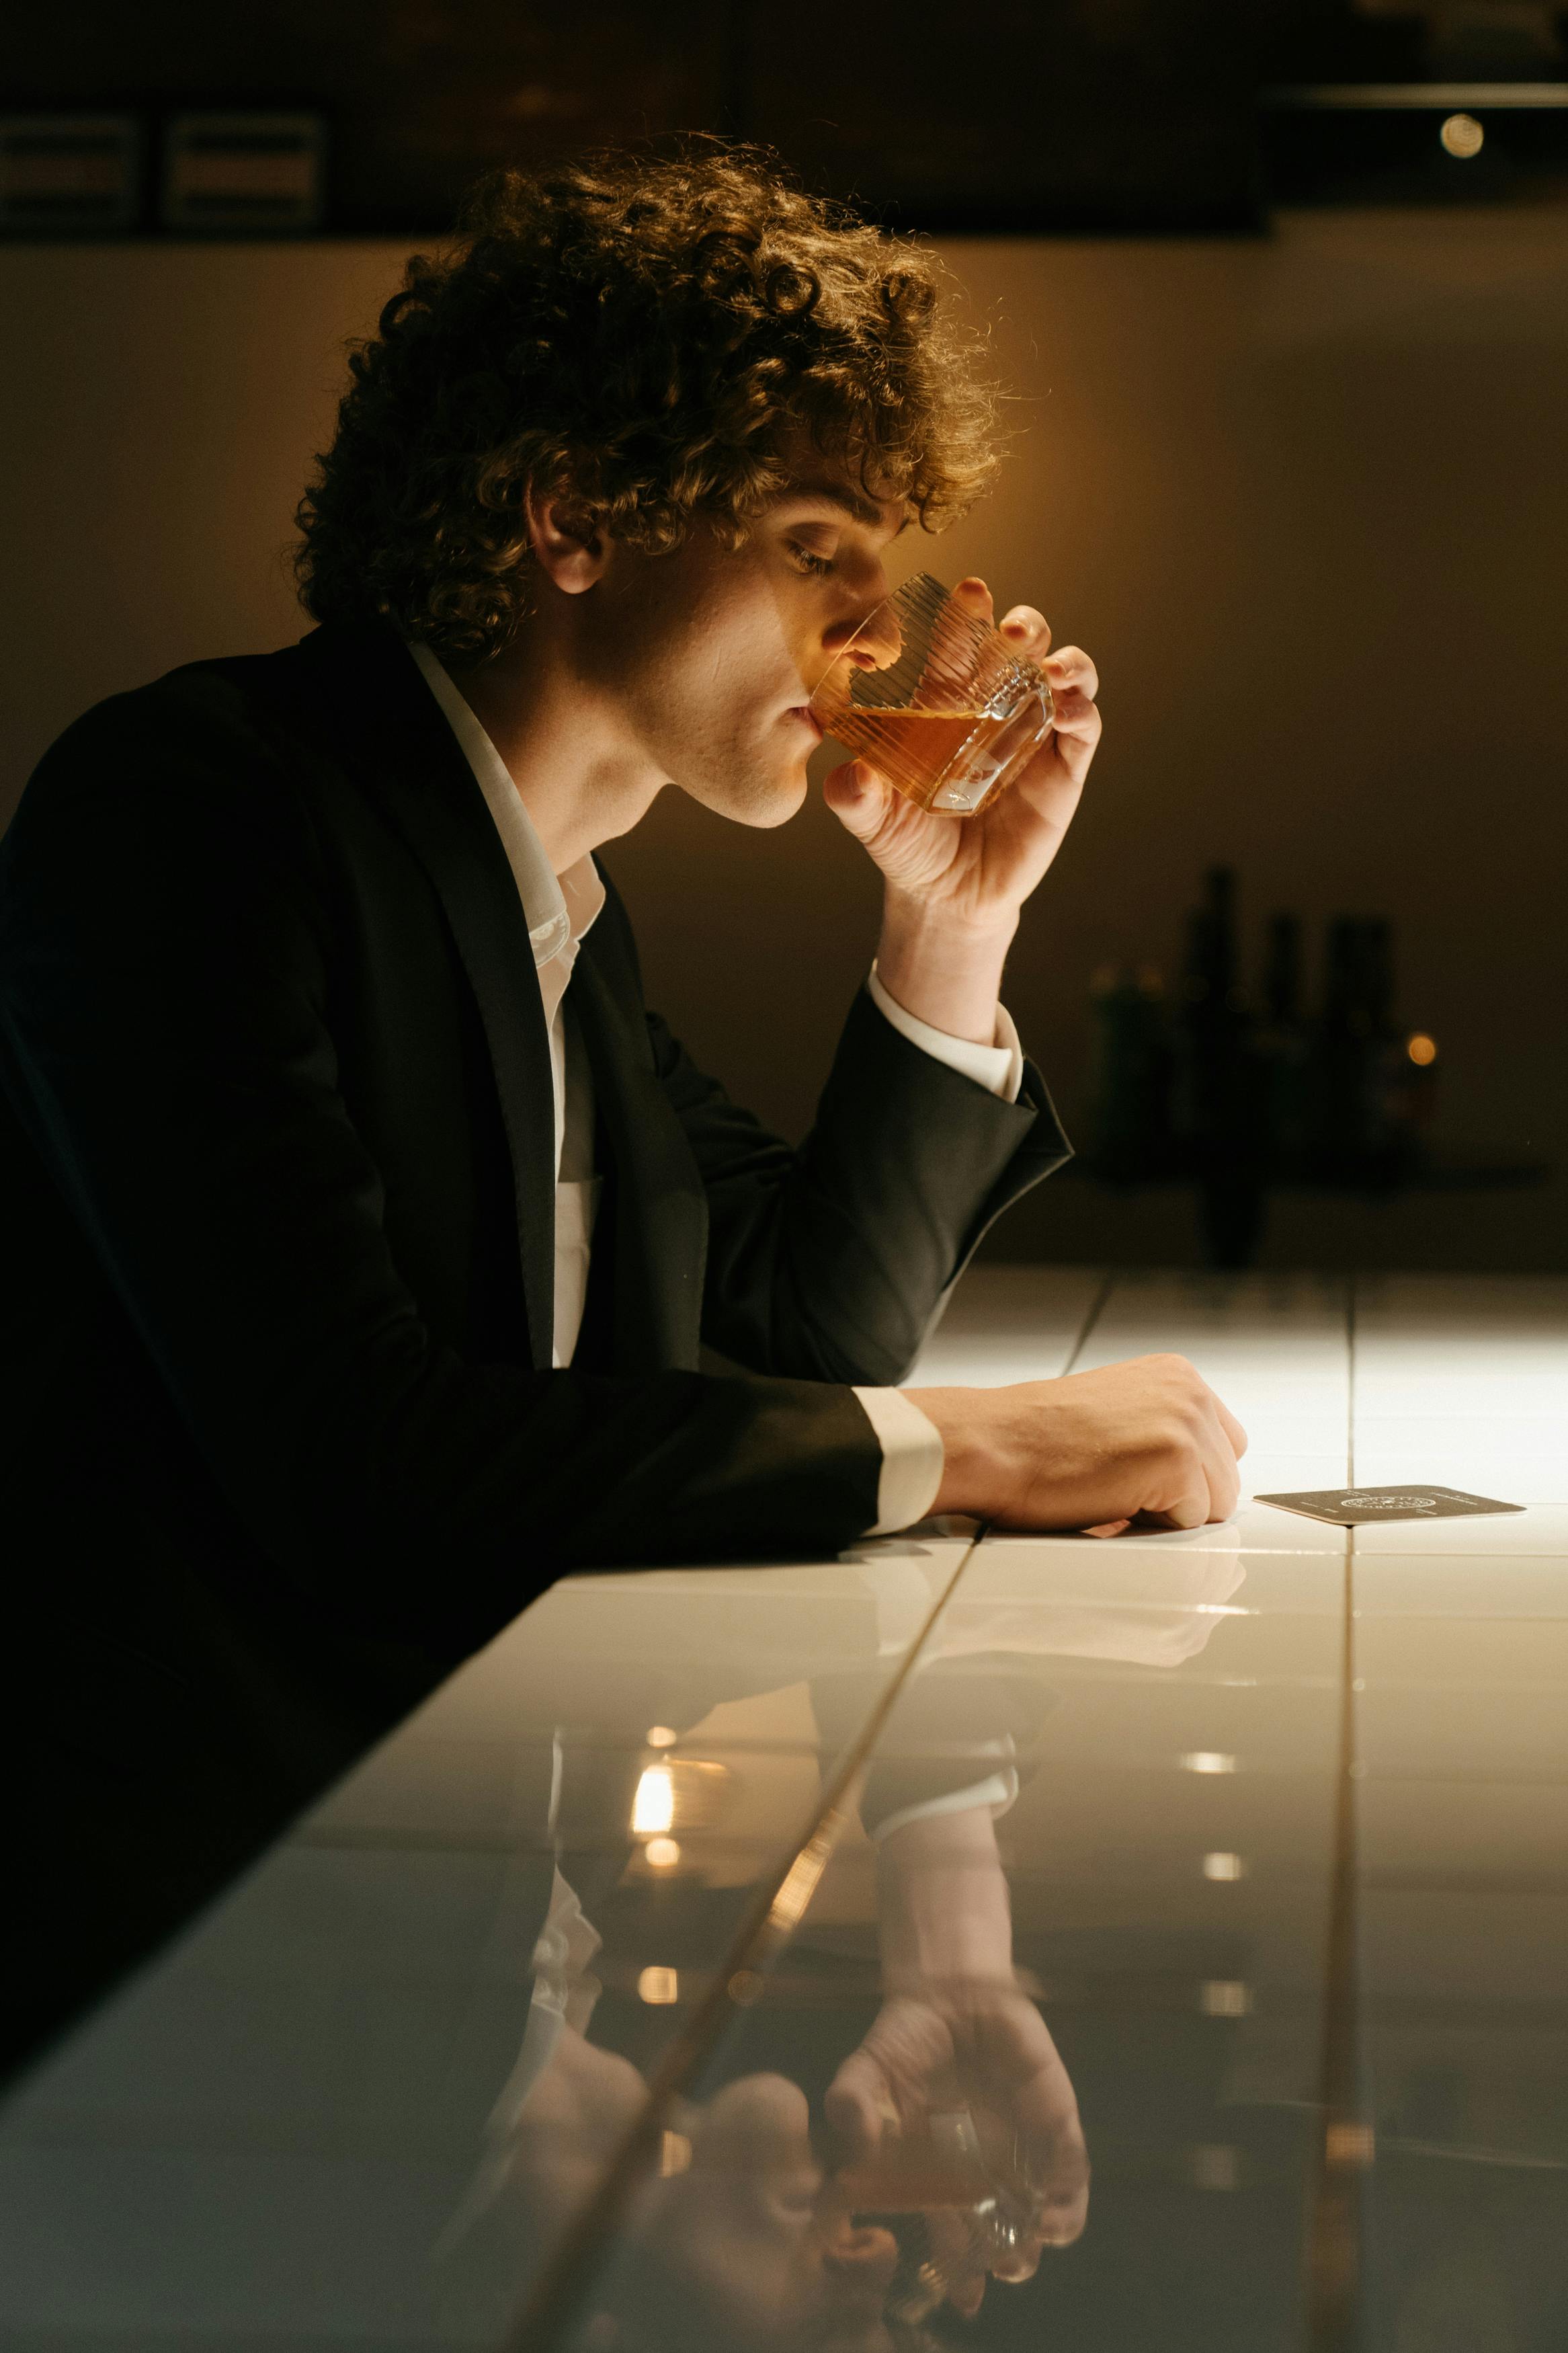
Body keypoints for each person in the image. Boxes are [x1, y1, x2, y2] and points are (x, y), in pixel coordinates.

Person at [0, 142, 1245, 2080]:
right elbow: (362, 1463)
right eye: (819, 544)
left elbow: (797, 1329)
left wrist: (952, 919)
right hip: (194, 2039)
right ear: (574, 515)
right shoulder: (198, 811)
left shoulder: (561, 916)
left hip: (434, 2006)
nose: (871, 633)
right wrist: (971, 1444)